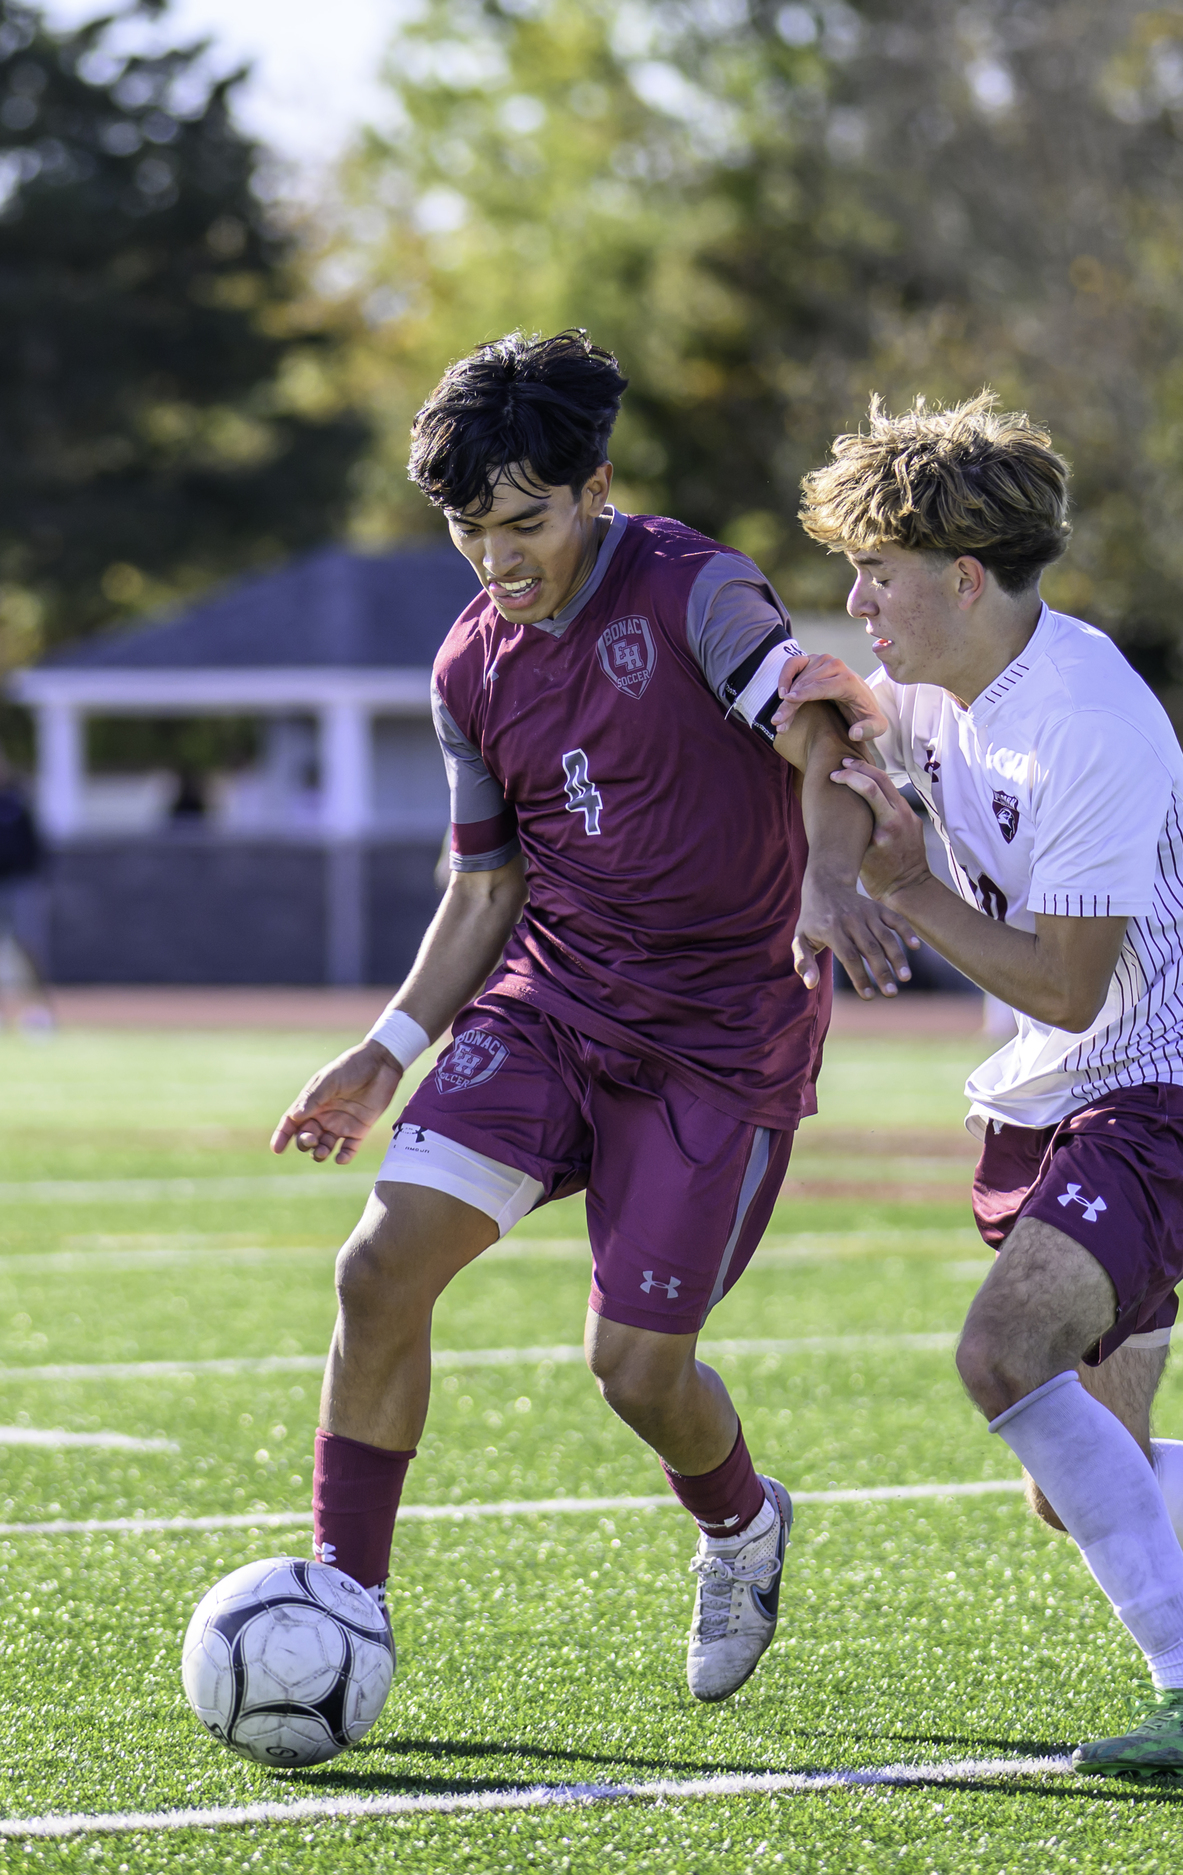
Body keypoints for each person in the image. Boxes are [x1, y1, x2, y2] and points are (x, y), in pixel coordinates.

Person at [773, 394, 1183, 1776]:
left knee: (998, 1354)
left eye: (880, 575)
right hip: (1055, 1094)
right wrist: (832, 861)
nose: (858, 602)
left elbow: (1068, 983)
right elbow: (824, 722)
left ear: (963, 577)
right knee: (1079, 1484)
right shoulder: (939, 675)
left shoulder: (1084, 717)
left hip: (1176, 1091)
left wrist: (898, 880)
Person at [271, 330, 912, 1702]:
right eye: (467, 530)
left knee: (633, 1367)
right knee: (378, 1266)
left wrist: (828, 874)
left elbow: (815, 723)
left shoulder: (696, 588)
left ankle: (741, 1520)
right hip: (551, 1002)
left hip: (721, 1037)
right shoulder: (466, 669)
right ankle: (345, 1601)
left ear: (596, 489)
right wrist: (385, 1050)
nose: (498, 560)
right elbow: (486, 881)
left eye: (523, 523)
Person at [0, 751, 52, 1030]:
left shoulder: (18, 803)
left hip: (19, 884)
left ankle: (39, 1009)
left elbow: (35, 845)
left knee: (28, 945)